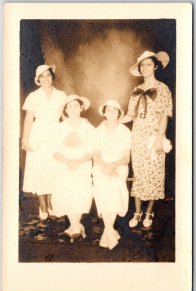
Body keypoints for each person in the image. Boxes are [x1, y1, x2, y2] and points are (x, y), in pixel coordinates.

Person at [120, 50, 173, 228]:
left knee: (154, 174)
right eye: (142, 65)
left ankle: (149, 212)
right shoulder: (136, 90)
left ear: (155, 66)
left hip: (154, 137)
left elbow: (164, 116)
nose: (144, 67)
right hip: (138, 137)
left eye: (148, 64)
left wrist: (159, 138)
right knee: (139, 174)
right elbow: (130, 115)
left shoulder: (163, 89)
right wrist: (112, 121)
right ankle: (137, 212)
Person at [22, 64, 67, 220]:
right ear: (38, 80)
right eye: (42, 76)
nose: (46, 79)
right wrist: (25, 139)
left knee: (53, 169)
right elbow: (28, 119)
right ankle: (43, 206)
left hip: (56, 133)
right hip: (39, 134)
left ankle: (50, 204)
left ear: (52, 77)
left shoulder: (61, 95)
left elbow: (65, 117)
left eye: (48, 75)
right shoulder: (33, 96)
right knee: (40, 169)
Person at [51, 95, 94, 241]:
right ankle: (76, 225)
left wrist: (79, 161)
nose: (73, 109)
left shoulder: (88, 127)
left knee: (81, 189)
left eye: (76, 105)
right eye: (70, 106)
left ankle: (74, 226)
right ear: (66, 110)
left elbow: (92, 150)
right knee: (65, 188)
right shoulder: (59, 128)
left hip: (82, 163)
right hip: (64, 164)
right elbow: (55, 151)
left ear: (81, 108)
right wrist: (68, 161)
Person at [93, 100, 132, 250]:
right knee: (102, 188)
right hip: (101, 166)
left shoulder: (125, 131)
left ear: (119, 113)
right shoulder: (97, 131)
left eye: (114, 110)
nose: (111, 113)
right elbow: (95, 155)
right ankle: (110, 230)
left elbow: (126, 158)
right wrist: (105, 166)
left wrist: (113, 166)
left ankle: (107, 232)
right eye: (108, 110)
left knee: (115, 187)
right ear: (104, 113)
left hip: (119, 167)